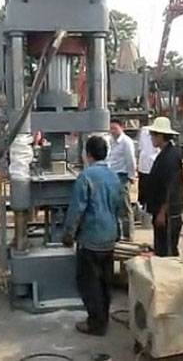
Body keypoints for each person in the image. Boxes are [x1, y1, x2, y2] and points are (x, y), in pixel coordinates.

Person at [63, 136, 122, 336]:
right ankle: (103, 318)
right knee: (105, 282)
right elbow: (119, 208)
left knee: (89, 283)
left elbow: (77, 209)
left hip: (91, 238)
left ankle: (96, 324)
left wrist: (69, 234)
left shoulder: (86, 177)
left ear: (88, 154)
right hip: (109, 237)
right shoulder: (114, 177)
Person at [146, 117, 183, 257]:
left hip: (168, 214)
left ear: (161, 136)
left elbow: (170, 186)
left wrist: (163, 211)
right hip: (161, 210)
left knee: (167, 250)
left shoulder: (170, 157)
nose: (151, 138)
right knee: (161, 247)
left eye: (153, 135)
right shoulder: (164, 154)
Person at [108, 118, 136, 241]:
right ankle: (117, 234)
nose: (112, 131)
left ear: (121, 128)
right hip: (112, 176)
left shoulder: (126, 142)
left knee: (125, 206)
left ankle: (128, 234)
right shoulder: (111, 141)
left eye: (115, 128)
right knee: (115, 206)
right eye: (111, 128)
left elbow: (131, 160)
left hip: (123, 176)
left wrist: (131, 175)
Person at [137, 126, 159, 210]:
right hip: (143, 166)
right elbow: (140, 148)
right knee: (143, 190)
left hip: (152, 166)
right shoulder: (144, 131)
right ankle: (142, 207)